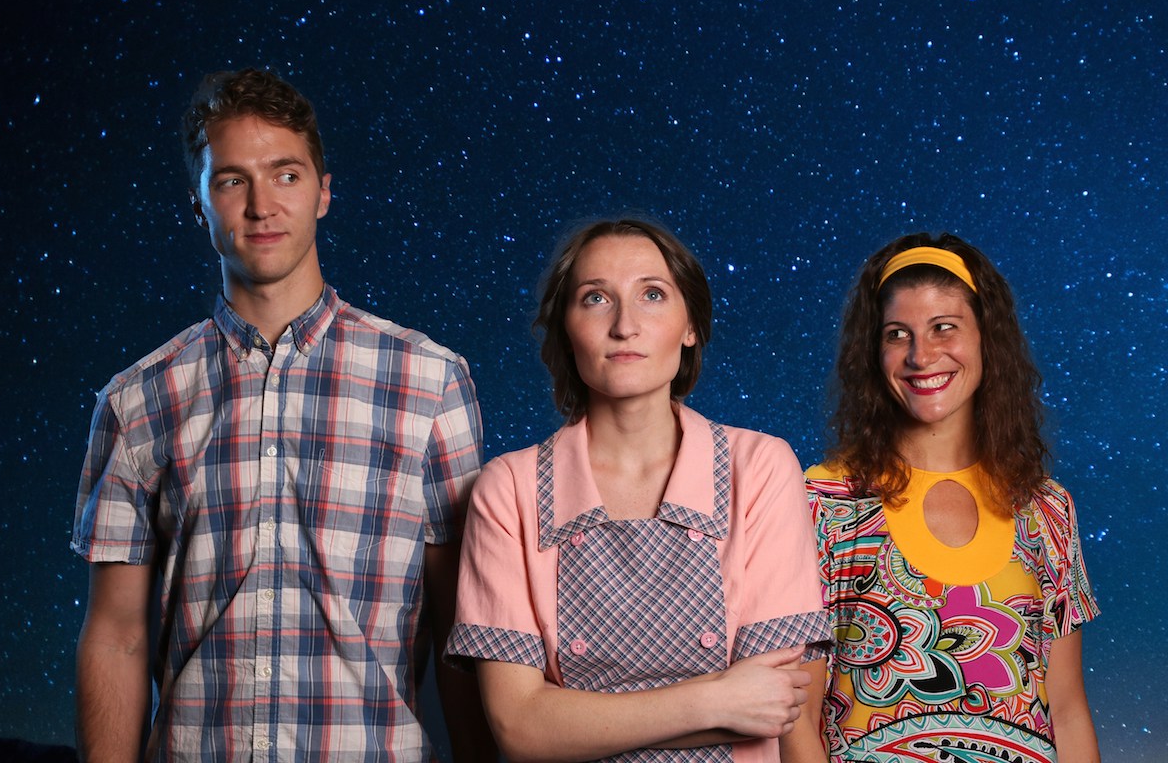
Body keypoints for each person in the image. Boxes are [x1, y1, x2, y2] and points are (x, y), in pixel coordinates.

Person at [71, 67, 493, 762]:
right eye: (232, 180)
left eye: (286, 175)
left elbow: (459, 628)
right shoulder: (136, 399)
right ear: (199, 205)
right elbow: (115, 633)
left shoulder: (431, 381)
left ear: (325, 192)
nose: (262, 204)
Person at [446, 217, 831, 761]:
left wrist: (580, 716)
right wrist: (717, 702)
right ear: (565, 329)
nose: (625, 325)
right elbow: (520, 729)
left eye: (652, 294)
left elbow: (779, 710)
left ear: (690, 325)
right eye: (596, 298)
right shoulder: (509, 488)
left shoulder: (760, 466)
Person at [804, 232, 1100, 762]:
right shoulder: (822, 502)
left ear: (987, 338)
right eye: (898, 334)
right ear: (874, 354)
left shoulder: (1048, 509)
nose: (922, 355)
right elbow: (796, 720)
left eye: (945, 327)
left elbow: (1069, 709)